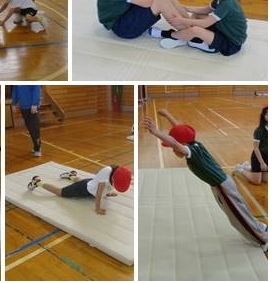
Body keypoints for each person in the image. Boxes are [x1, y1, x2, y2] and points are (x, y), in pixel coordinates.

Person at [143, 108, 268, 251]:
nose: (173, 150)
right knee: (241, 209)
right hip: (224, 182)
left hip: (222, 187)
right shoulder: (195, 143)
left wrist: (157, 132)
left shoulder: (191, 151)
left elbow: (175, 142)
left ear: (182, 145)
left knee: (237, 218)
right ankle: (260, 227)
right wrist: (167, 115)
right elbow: (181, 130)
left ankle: (263, 239)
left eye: (174, 148)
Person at [153, 0, 247, 55]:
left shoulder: (227, 4)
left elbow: (205, 23)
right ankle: (186, 36)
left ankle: (168, 34)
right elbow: (206, 10)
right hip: (221, 30)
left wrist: (182, 20)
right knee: (197, 16)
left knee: (196, 30)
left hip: (230, 42)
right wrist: (186, 8)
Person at [27, 165, 132, 215]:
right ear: (113, 178)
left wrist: (108, 193)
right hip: (84, 189)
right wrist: (97, 208)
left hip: (90, 184)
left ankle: (71, 176)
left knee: (85, 182)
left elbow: (104, 186)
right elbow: (99, 192)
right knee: (59, 192)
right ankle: (37, 182)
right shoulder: (106, 173)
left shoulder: (117, 173)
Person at [234, 106, 268, 185]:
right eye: (267, 114)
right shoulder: (259, 130)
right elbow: (256, 148)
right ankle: (240, 169)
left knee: (265, 180)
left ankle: (248, 167)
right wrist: (262, 163)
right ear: (263, 116)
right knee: (257, 181)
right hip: (258, 157)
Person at [11, 85, 42, 157]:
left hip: (32, 106)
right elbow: (15, 90)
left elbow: (36, 88)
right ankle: (36, 146)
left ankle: (38, 149)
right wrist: (14, 103)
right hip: (23, 107)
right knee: (30, 128)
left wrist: (35, 103)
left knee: (34, 128)